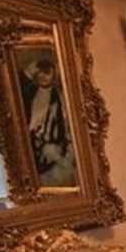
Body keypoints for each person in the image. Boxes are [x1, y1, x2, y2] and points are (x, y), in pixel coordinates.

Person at [19, 57, 76, 187]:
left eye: (47, 74)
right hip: (32, 137)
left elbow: (62, 121)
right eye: (40, 73)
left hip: (50, 141)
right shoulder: (30, 92)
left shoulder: (57, 97)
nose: (43, 77)